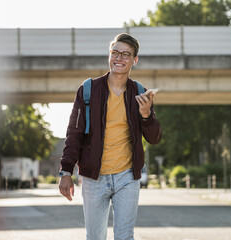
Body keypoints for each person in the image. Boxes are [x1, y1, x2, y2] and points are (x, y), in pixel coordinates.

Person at [59, 33, 162, 240]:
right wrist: (66, 171)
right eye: (115, 52)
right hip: (93, 177)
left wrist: (146, 116)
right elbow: (74, 133)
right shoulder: (88, 90)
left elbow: (154, 138)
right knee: (95, 237)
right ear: (109, 54)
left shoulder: (140, 93)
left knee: (125, 236)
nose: (119, 58)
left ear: (135, 60)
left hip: (127, 177)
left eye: (126, 54)